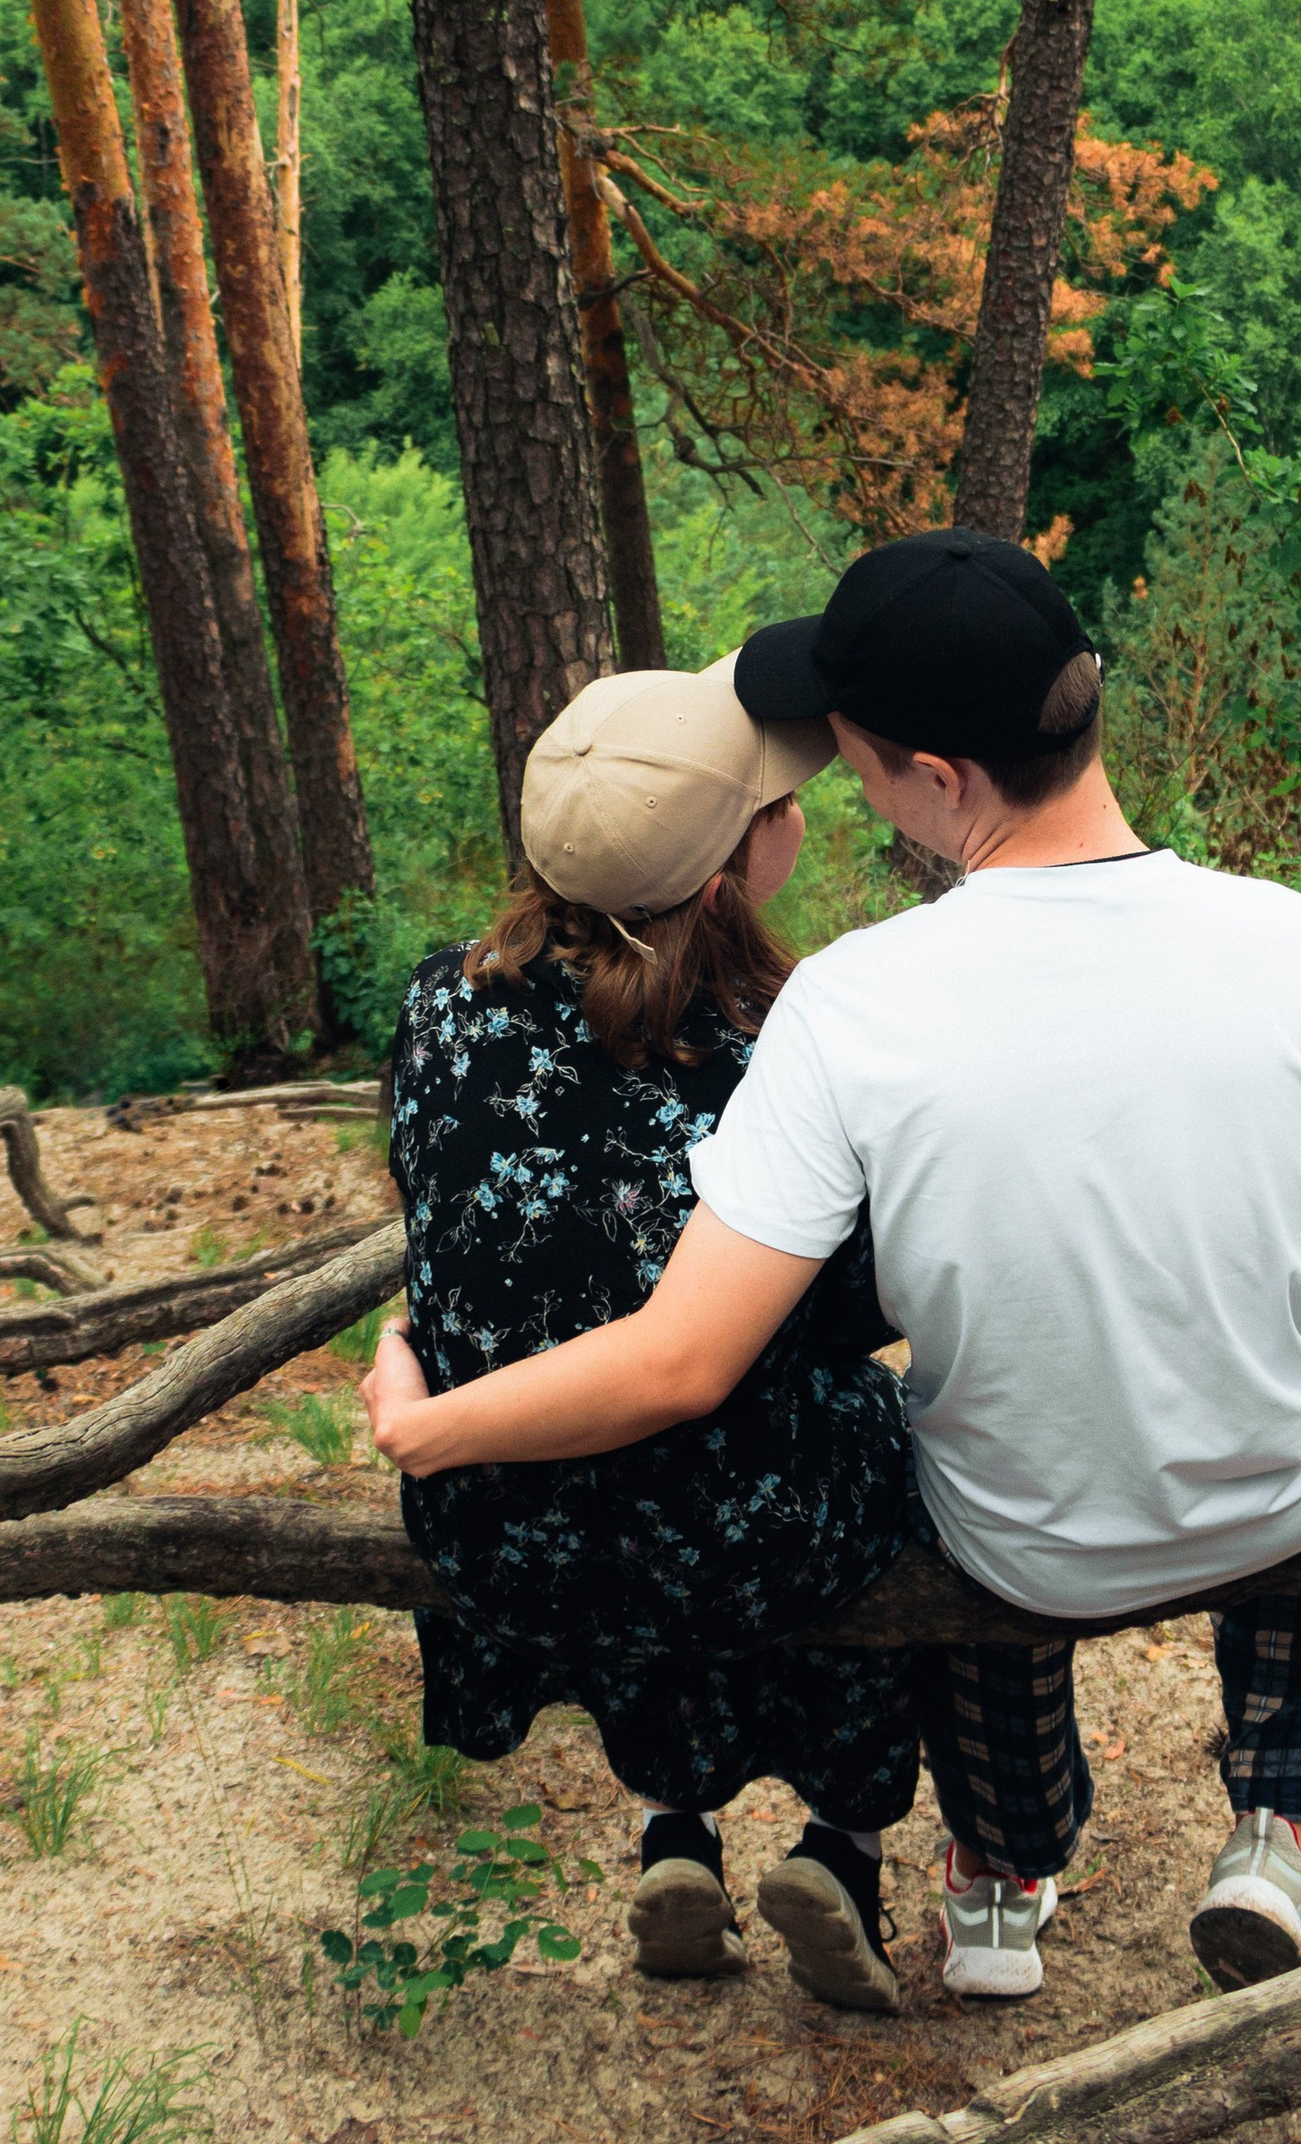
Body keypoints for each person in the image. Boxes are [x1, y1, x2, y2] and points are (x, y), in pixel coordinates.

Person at [370, 530, 1301, 2007]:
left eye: (858, 763)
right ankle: (1271, 1829)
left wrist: (429, 1426)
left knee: (950, 1458)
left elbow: (685, 1355)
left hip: (1030, 1542)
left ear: (939, 780)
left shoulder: (854, 1002)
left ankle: (1001, 1864)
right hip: (1288, 1501)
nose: (842, 788)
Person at [378, 651, 923, 2016]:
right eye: (780, 803)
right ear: (729, 876)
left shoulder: (439, 1005)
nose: (802, 811)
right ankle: (842, 1849)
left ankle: (676, 1831)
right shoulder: (780, 1042)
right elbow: (853, 1307)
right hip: (720, 1530)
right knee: (873, 1445)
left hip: (496, 1522)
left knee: (679, 1463)